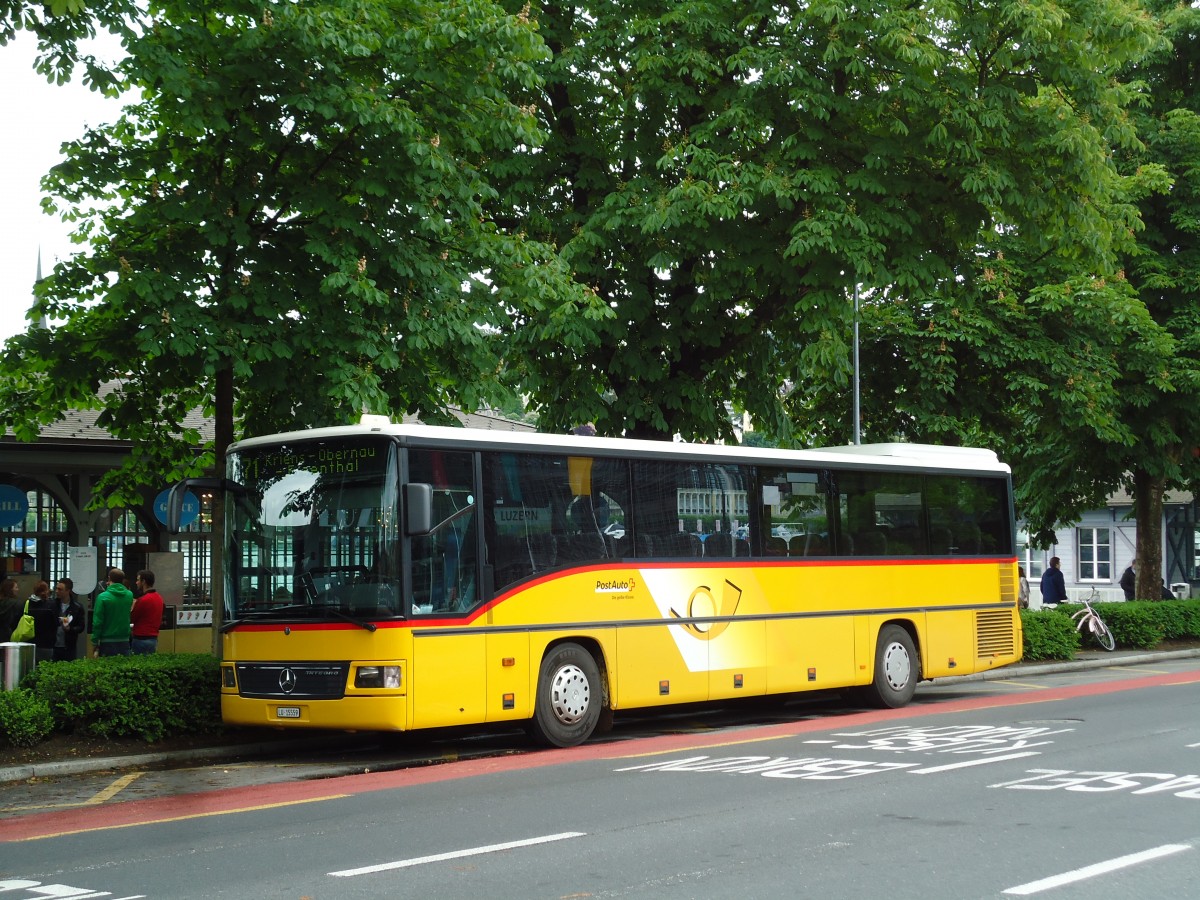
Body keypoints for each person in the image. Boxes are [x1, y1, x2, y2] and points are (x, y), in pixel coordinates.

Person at [90, 568, 134, 657]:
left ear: (109, 578)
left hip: (107, 641)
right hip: (124, 640)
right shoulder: (129, 595)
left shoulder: (102, 597)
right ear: (122, 580)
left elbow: (98, 622)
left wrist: (95, 641)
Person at [130, 569, 164, 655]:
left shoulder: (143, 600)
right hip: (153, 639)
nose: (136, 582)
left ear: (143, 582)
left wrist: (132, 607)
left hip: (140, 639)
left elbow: (132, 618)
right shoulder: (159, 598)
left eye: (138, 580)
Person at [52, 578, 87, 661]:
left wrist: (70, 629)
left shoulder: (77, 607)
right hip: (53, 646)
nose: (56, 591)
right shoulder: (52, 605)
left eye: (60, 589)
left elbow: (81, 627)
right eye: (56, 588)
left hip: (69, 647)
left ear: (68, 591)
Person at [0, 577, 22, 642]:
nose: (18, 589)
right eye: (16, 587)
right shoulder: (17, 604)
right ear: (10, 589)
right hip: (12, 637)